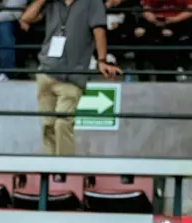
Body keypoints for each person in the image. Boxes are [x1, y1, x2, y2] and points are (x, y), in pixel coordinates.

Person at [20, 0, 119, 155]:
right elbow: (27, 18)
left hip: (73, 74)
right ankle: (50, 165)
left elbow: (99, 31)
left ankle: (65, 167)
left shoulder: (92, 2)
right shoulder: (52, 3)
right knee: (47, 125)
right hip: (46, 71)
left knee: (63, 124)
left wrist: (102, 60)